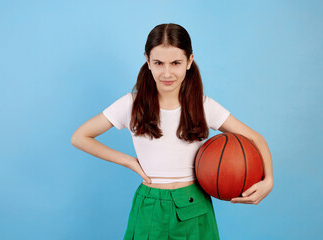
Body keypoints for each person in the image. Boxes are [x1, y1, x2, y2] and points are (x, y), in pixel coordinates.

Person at [71, 23, 274, 240]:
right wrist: (128, 161)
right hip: (149, 206)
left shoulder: (204, 106)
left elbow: (255, 138)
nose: (167, 73)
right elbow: (80, 137)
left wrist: (268, 180)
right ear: (148, 62)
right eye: (158, 63)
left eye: (176, 63)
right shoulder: (131, 104)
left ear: (189, 61)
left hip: (194, 205)